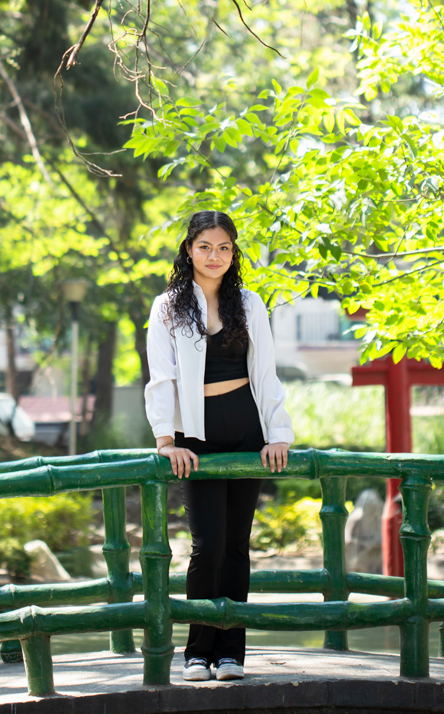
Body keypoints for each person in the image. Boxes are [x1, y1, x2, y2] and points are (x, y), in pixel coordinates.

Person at [145, 210, 294, 683]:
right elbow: (161, 376)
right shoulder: (167, 306)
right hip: (196, 436)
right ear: (189, 250)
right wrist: (166, 441)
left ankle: (231, 654)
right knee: (206, 546)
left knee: (235, 546)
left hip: (247, 429)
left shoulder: (249, 303)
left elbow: (265, 372)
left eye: (224, 248)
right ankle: (196, 653)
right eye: (206, 247)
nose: (215, 256)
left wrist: (277, 435)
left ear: (234, 253)